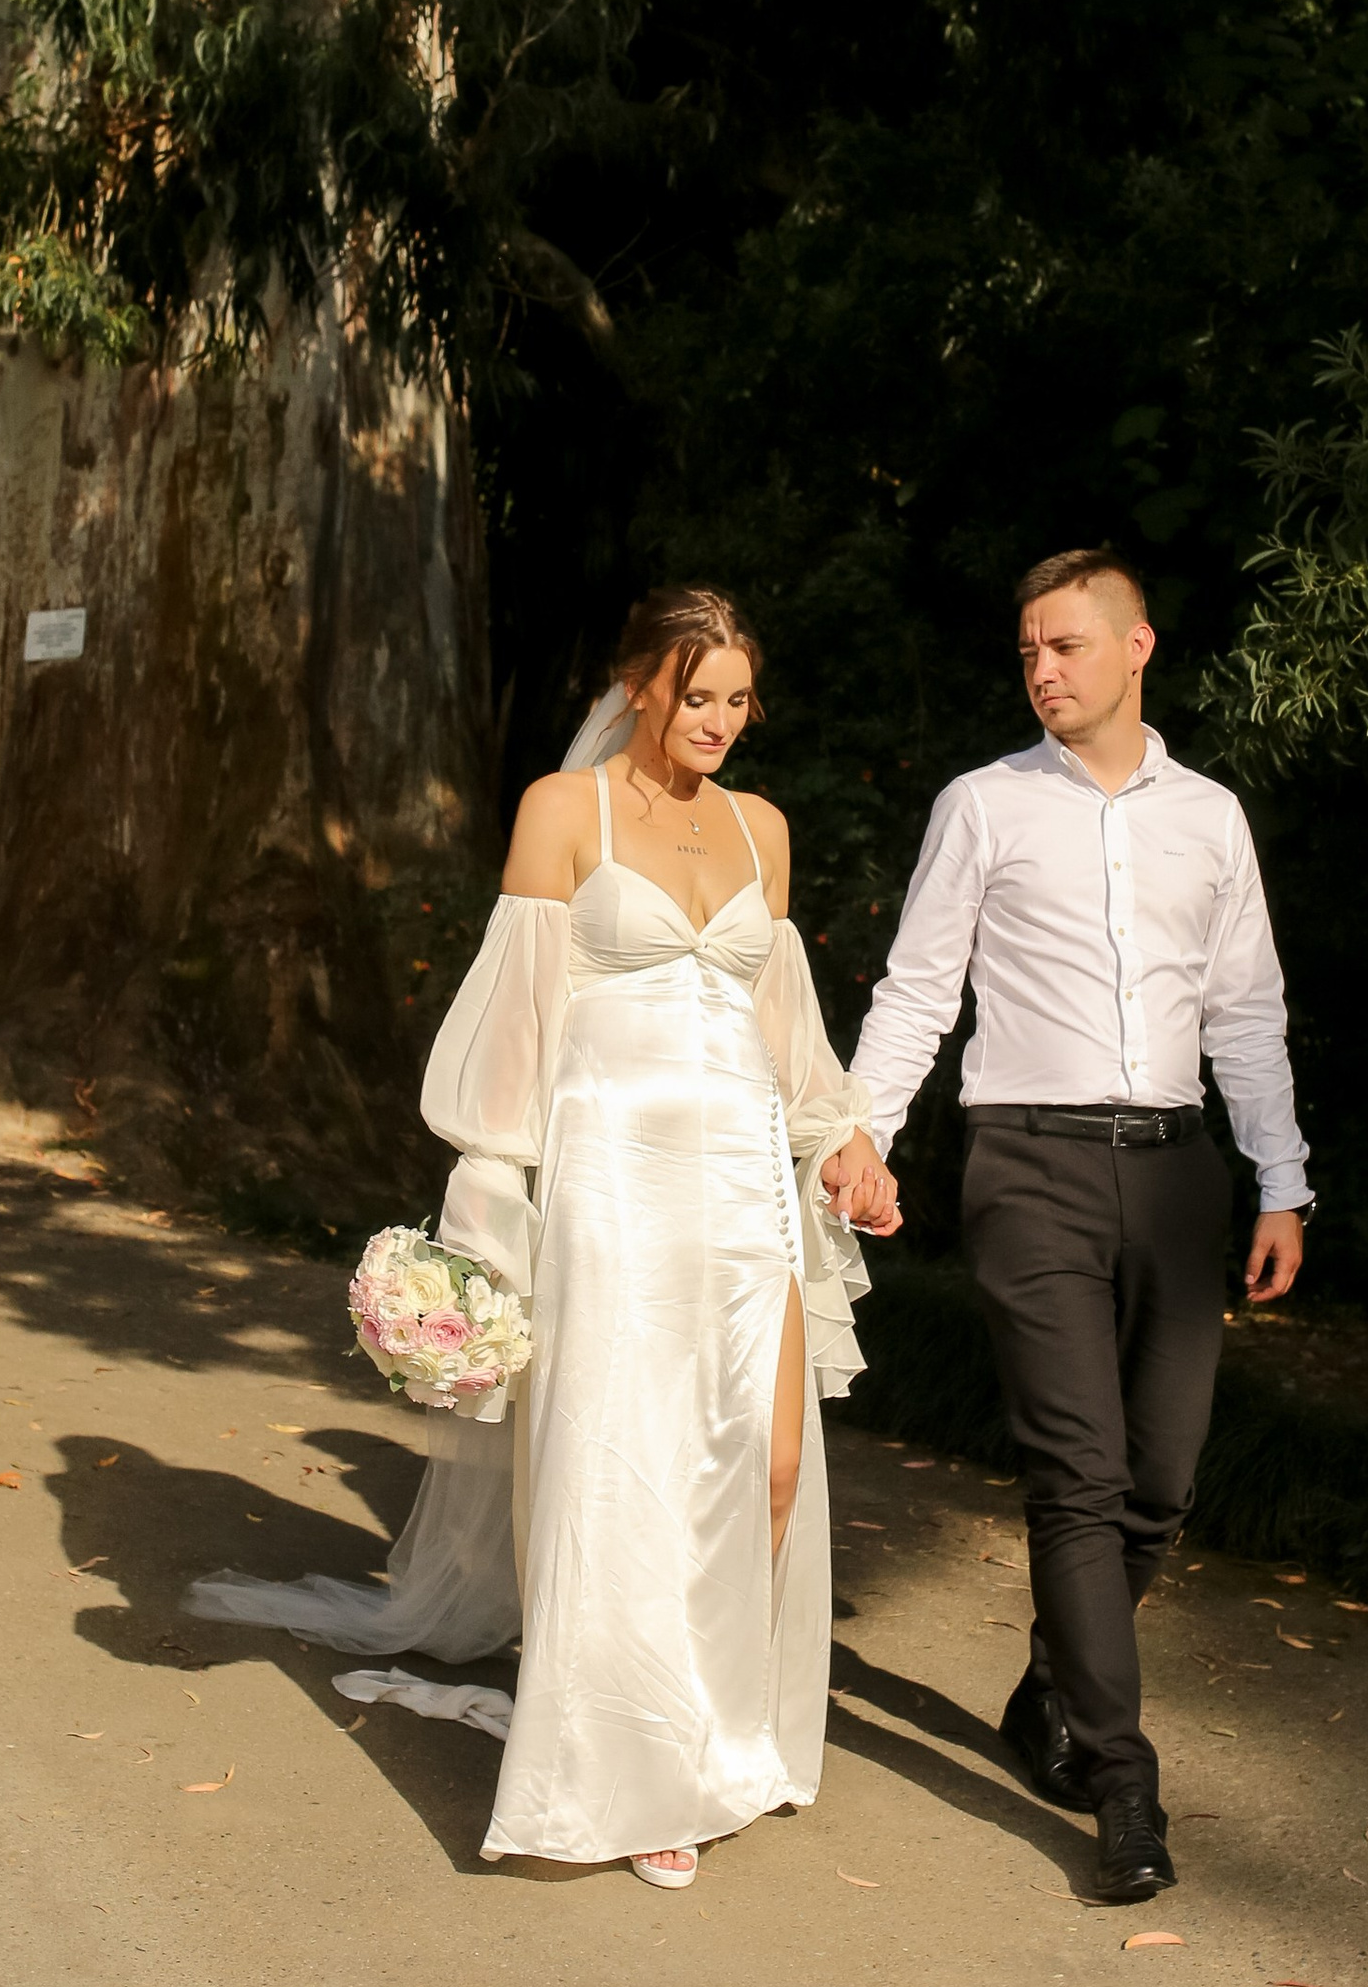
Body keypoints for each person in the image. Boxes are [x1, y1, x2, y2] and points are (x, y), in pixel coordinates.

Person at [197, 587, 896, 1890]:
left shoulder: (763, 830)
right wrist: (482, 1227)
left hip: (747, 1195)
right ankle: (635, 1776)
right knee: (626, 1477)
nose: (720, 722)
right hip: (613, 1191)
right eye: (697, 696)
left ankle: (717, 1732)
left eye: (739, 701)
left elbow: (783, 1026)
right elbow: (518, 1022)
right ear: (639, 687)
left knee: (772, 1469)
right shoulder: (564, 812)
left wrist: (844, 1137)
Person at [823, 546, 1310, 1909]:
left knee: (1161, 1485)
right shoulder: (983, 805)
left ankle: (1051, 1686)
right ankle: (1120, 1778)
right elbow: (918, 990)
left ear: (1138, 647)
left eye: (1067, 645)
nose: (1042, 669)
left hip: (1175, 1173)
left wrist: (1281, 1178)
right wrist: (857, 1132)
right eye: (1029, 650)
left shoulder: (1210, 818)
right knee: (1079, 1478)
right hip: (1028, 1166)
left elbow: (1246, 1011)